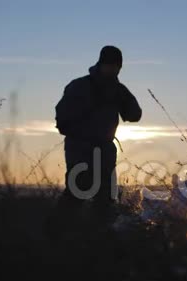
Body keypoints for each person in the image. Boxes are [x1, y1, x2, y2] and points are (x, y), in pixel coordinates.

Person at [51, 45, 142, 231]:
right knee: (78, 191)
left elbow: (135, 114)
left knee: (106, 197)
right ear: (100, 63)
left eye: (116, 66)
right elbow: (62, 120)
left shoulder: (118, 90)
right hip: (80, 148)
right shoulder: (79, 86)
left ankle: (98, 238)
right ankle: (56, 234)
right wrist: (82, 131)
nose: (112, 68)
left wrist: (121, 99)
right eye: (109, 64)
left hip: (105, 150)